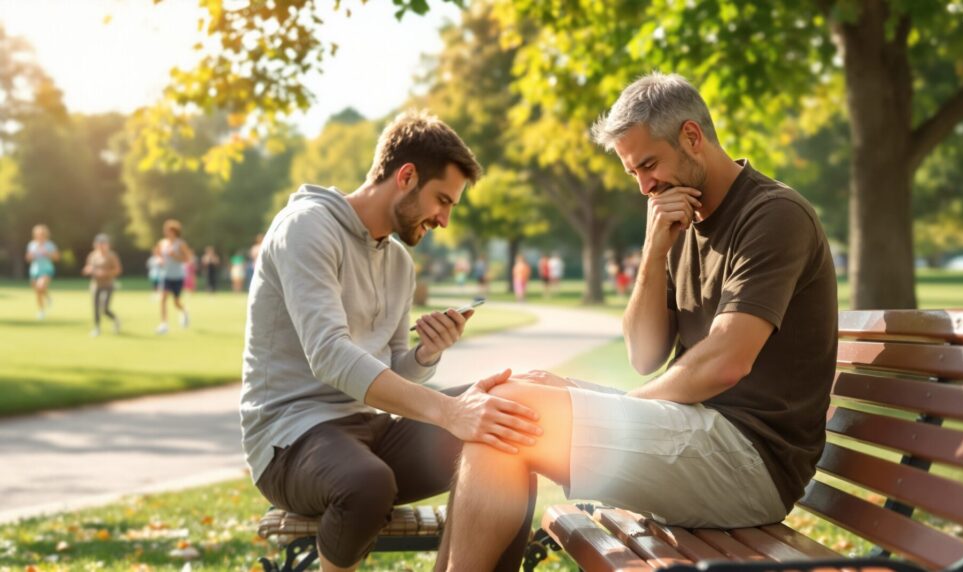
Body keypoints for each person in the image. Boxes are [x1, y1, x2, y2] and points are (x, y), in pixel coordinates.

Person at [437, 72, 838, 570]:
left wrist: (600, 403)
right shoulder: (677, 220)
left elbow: (725, 362)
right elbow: (643, 354)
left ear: (692, 137)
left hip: (751, 462)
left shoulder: (773, 215)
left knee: (513, 410)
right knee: (503, 401)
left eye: (649, 164)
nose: (645, 186)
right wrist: (654, 252)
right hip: (698, 429)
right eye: (634, 173)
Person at [240, 111, 541, 572]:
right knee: (367, 483)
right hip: (291, 441)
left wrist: (425, 354)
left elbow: (391, 371)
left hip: (370, 431)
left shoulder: (399, 261)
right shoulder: (306, 228)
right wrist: (449, 411)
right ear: (406, 176)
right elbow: (331, 357)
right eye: (442, 200)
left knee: (508, 419)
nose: (443, 219)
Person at [153, 219, 193, 334]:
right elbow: (157, 254)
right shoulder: (162, 243)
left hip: (178, 275)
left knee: (176, 302)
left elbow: (188, 259)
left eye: (168, 230)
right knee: (163, 298)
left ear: (174, 231)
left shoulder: (180, 244)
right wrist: (159, 260)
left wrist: (175, 256)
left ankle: (184, 311)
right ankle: (164, 324)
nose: (166, 232)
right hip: (166, 275)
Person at [81, 233, 122, 336]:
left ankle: (115, 319)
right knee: (95, 306)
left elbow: (118, 270)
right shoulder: (92, 255)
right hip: (96, 284)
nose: (101, 245)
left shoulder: (111, 256)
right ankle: (97, 327)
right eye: (99, 243)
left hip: (108, 284)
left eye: (103, 243)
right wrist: (88, 270)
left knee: (105, 309)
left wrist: (105, 273)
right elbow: (88, 267)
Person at [25, 224, 59, 320]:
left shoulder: (50, 245)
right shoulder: (32, 245)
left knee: (41, 286)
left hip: (46, 269)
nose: (40, 236)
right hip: (35, 270)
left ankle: (47, 299)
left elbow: (57, 257)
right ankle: (42, 309)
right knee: (37, 291)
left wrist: (47, 253)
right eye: (38, 234)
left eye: (42, 234)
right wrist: (32, 255)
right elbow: (28, 258)